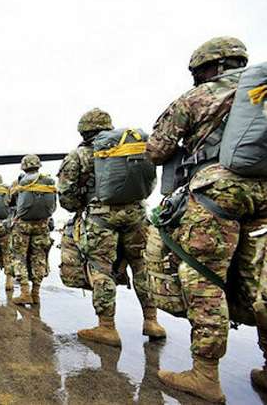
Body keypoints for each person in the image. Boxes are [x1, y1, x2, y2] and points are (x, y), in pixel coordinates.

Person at [147, 36, 267, 403]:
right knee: (260, 280)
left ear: (210, 67)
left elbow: (157, 149)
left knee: (203, 278)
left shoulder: (197, 97)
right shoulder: (260, 94)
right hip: (264, 194)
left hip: (216, 193)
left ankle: (205, 374)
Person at [57, 108, 166, 348]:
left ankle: (106, 327)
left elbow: (66, 197)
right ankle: (152, 321)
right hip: (137, 214)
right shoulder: (127, 147)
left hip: (100, 218)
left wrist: (82, 205)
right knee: (141, 266)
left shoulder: (78, 156)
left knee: (101, 268)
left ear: (83, 131)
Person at [10, 155, 56, 305]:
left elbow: (9, 202)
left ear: (24, 166)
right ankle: (36, 293)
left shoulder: (19, 182)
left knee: (19, 257)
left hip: (22, 225)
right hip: (42, 225)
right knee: (39, 257)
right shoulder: (48, 181)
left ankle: (24, 292)